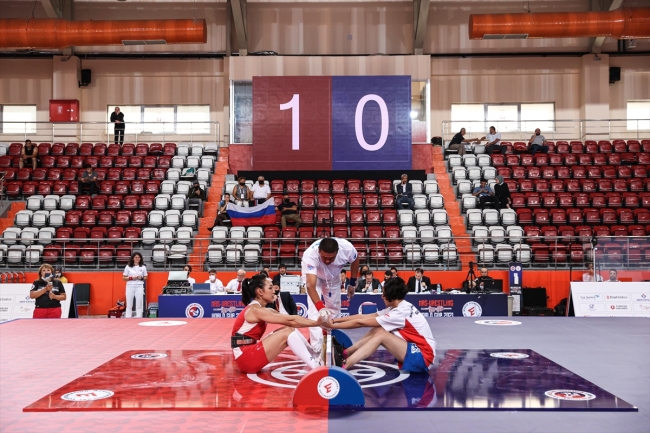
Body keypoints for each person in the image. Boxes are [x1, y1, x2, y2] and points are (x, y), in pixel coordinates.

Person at [324, 277, 436, 372]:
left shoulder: (400, 313)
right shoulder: (399, 306)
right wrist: (335, 320)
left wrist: (332, 326)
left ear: (391, 295)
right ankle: (346, 353)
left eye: (384, 293)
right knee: (380, 329)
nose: (382, 296)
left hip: (424, 357)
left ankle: (345, 364)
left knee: (382, 335)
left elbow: (360, 323)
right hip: (416, 350)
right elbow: (363, 317)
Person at [231, 274, 326, 373]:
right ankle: (316, 366)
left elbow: (290, 320)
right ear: (260, 292)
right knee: (287, 332)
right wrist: (317, 323)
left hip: (246, 354)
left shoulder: (260, 309)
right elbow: (291, 320)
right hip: (245, 359)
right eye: (270, 288)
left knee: (289, 329)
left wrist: (318, 323)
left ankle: (314, 355)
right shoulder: (256, 310)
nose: (274, 291)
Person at [302, 237, 360, 354]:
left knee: (334, 308)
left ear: (337, 252)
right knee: (314, 310)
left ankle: (334, 338)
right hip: (314, 276)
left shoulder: (347, 248)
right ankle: (317, 348)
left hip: (333, 276)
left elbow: (355, 260)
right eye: (324, 257)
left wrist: (352, 283)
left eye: (331, 258)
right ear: (319, 251)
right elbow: (310, 286)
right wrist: (320, 307)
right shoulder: (311, 256)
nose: (328, 261)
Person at [122, 252, 148, 318]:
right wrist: (131, 278)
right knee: (129, 304)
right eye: (136, 257)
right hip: (130, 286)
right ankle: (128, 317)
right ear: (133, 258)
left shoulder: (143, 267)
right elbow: (124, 278)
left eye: (139, 257)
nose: (137, 258)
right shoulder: (128, 267)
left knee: (139, 304)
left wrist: (141, 278)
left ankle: (139, 317)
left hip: (139, 286)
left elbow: (146, 277)